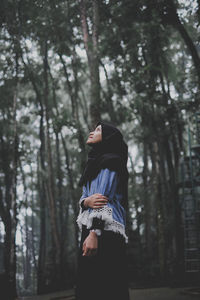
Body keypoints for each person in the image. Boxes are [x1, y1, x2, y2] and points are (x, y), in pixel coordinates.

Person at [75, 120, 130, 300]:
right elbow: (86, 197)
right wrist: (86, 202)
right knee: (88, 286)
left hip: (104, 230)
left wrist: (94, 233)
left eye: (98, 130)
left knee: (107, 286)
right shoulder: (93, 164)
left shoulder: (112, 161)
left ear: (107, 138)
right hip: (91, 227)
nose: (92, 132)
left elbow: (102, 200)